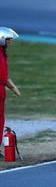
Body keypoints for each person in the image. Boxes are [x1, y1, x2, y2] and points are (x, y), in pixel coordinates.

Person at [0, 27, 20, 158]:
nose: (9, 42)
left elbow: (4, 76)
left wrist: (13, 88)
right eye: (8, 39)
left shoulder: (2, 53)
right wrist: (13, 88)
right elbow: (3, 77)